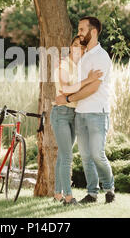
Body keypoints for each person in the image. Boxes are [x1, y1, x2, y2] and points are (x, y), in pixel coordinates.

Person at [55, 16, 115, 204]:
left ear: (93, 31)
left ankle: (109, 188)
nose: (79, 33)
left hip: (97, 112)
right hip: (80, 113)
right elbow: (77, 83)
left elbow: (93, 87)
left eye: (82, 30)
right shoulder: (84, 56)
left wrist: (68, 98)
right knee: (87, 157)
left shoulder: (101, 56)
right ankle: (92, 194)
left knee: (97, 154)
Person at [51, 36, 103, 206]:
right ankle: (68, 197)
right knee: (67, 157)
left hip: (75, 113)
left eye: (81, 47)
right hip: (61, 114)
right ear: (70, 47)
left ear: (85, 50)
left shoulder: (81, 68)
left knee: (62, 156)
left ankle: (57, 194)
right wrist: (88, 79)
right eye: (74, 45)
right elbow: (65, 88)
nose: (77, 49)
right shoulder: (63, 65)